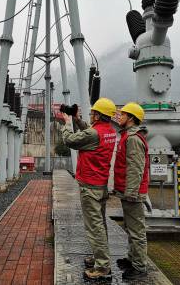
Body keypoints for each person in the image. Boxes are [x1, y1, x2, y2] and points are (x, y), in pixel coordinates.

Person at [61, 97, 117, 282]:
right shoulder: (108, 131)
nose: (91, 115)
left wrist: (68, 123)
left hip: (90, 187)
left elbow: (69, 140)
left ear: (99, 115)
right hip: (100, 185)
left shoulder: (94, 134)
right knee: (100, 224)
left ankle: (102, 267)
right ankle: (99, 257)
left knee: (94, 227)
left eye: (93, 113)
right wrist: (77, 119)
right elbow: (90, 131)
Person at [113, 102, 149, 280]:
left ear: (131, 118)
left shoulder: (133, 139)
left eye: (123, 114)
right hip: (127, 191)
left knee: (136, 231)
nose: (119, 116)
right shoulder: (128, 135)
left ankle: (140, 267)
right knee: (130, 228)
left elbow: (135, 168)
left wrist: (131, 193)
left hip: (132, 193)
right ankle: (132, 259)